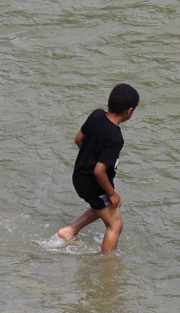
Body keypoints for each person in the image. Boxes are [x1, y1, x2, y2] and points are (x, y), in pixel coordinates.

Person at [57, 83, 139, 254]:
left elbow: (79, 139)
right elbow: (99, 171)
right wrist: (112, 193)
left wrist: (92, 154)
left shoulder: (96, 115)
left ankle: (70, 231)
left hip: (80, 175)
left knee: (102, 207)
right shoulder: (115, 137)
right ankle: (107, 265)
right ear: (129, 111)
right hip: (95, 182)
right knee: (115, 224)